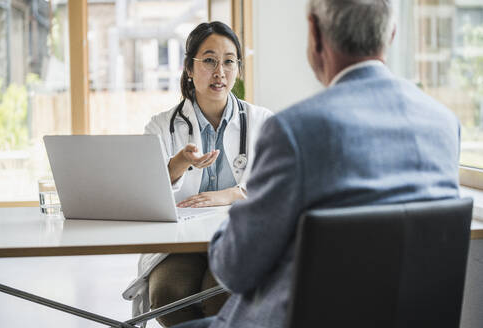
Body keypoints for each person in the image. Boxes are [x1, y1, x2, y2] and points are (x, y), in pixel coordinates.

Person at [172, 1, 461, 328]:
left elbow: (234, 269)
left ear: (314, 33)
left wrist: (235, 215)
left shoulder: (295, 130)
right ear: (391, 34)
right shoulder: (445, 125)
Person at [122, 21, 273, 327]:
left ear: (238, 68)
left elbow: (276, 188)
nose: (220, 72)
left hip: (237, 238)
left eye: (229, 61)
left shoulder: (262, 122)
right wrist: (177, 165)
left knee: (219, 295)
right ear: (189, 69)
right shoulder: (161, 127)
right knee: (167, 295)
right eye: (208, 60)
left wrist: (233, 193)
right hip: (180, 245)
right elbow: (142, 196)